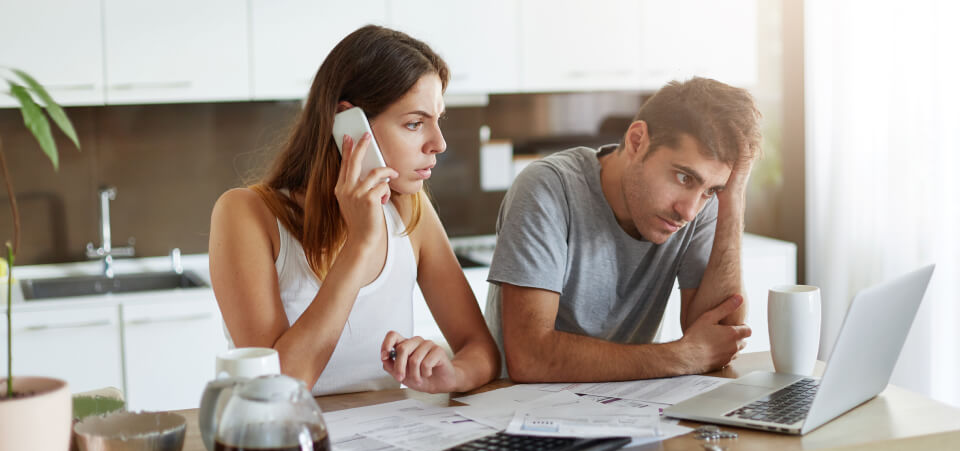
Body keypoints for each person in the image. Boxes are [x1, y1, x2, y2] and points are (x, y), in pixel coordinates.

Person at [209, 25, 499, 395]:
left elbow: (481, 349)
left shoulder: (410, 208)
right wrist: (360, 244)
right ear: (348, 123)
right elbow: (275, 390)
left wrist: (452, 373)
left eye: (437, 120)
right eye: (414, 123)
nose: (438, 143)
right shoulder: (246, 215)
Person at [485, 77, 762, 382]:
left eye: (713, 189)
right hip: (519, 413)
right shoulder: (548, 188)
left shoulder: (699, 204)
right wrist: (683, 356)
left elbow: (721, 338)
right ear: (637, 141)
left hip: (626, 409)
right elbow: (530, 358)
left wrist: (732, 199)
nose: (690, 211)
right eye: (683, 178)